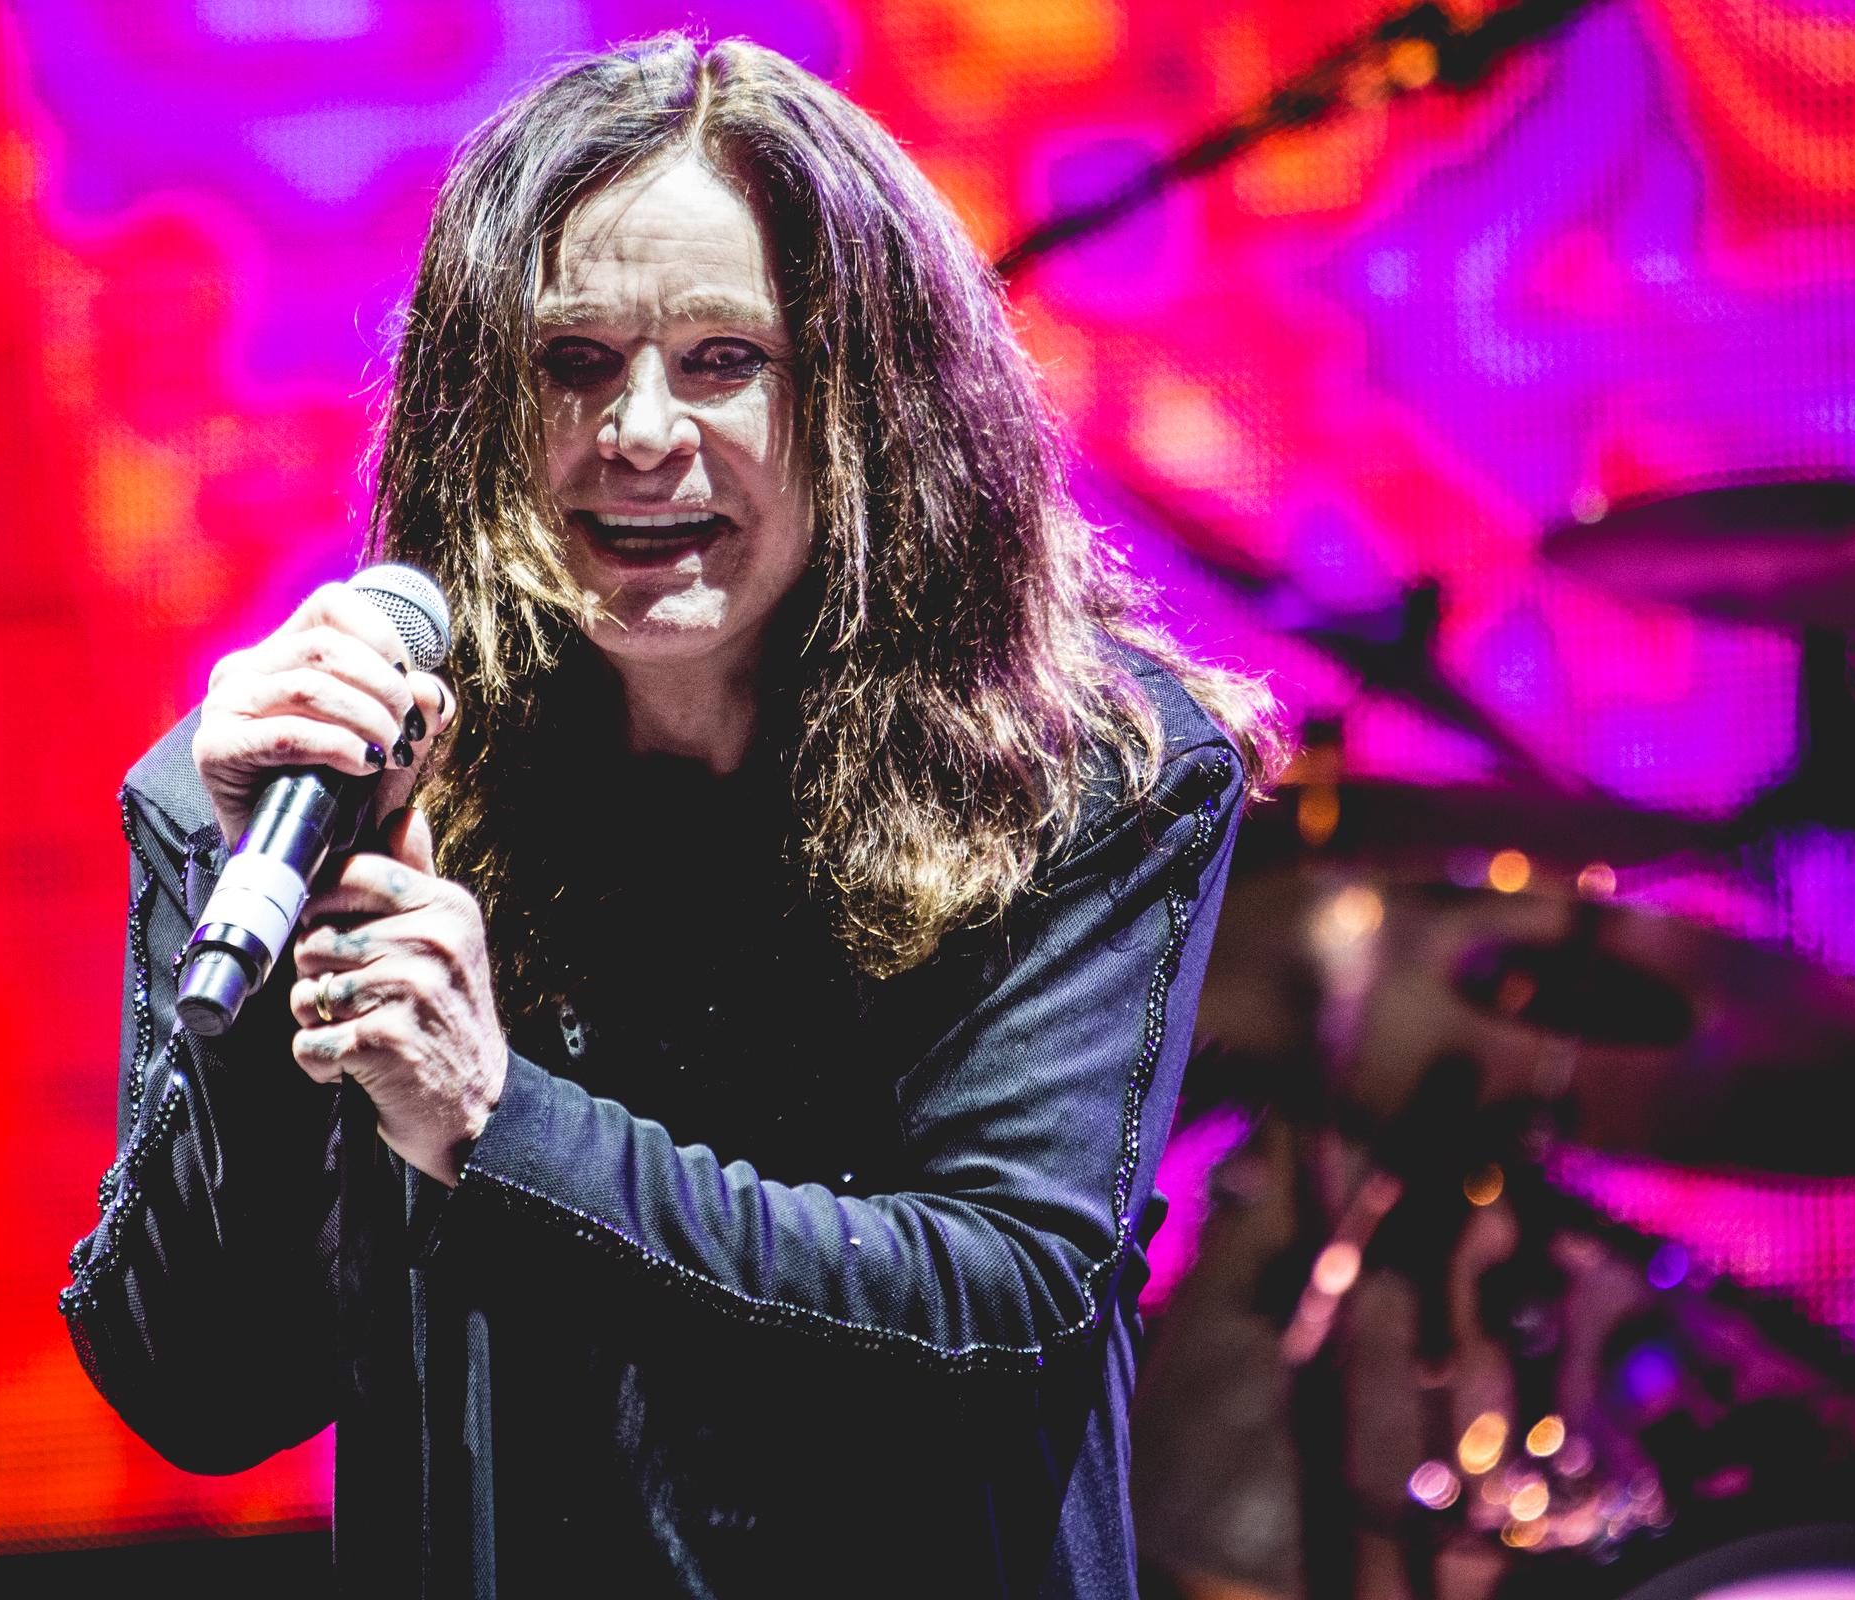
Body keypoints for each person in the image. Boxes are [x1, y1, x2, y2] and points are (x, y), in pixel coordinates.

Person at [62, 33, 1282, 1599]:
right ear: (479, 413)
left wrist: (498, 1123)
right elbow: (206, 1390)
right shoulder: (331, 783)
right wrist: (245, 884)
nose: (638, 433)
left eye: (724, 361)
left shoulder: (1080, 776)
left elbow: (994, 1310)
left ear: (876, 407)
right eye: (574, 364)